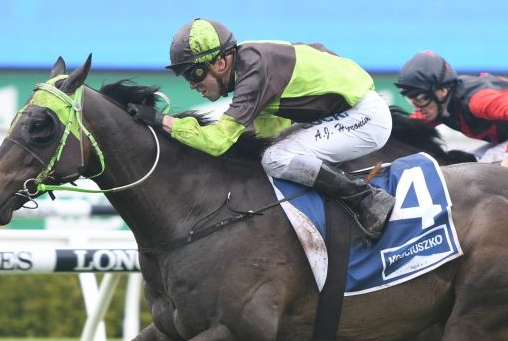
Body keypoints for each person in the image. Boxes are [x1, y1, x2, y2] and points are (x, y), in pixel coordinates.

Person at [128, 18, 395, 240]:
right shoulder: (249, 63)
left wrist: (162, 121)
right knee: (272, 151)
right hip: (344, 112)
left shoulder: (253, 72)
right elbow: (267, 132)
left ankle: (367, 200)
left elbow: (217, 141)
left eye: (194, 73)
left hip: (364, 118)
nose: (191, 84)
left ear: (220, 63)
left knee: (276, 158)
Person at [394, 50, 508, 209]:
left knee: (491, 169)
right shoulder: (440, 103)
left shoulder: (476, 99)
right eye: (411, 99)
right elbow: (410, 129)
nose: (418, 106)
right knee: (466, 165)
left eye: (420, 98)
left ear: (441, 91)